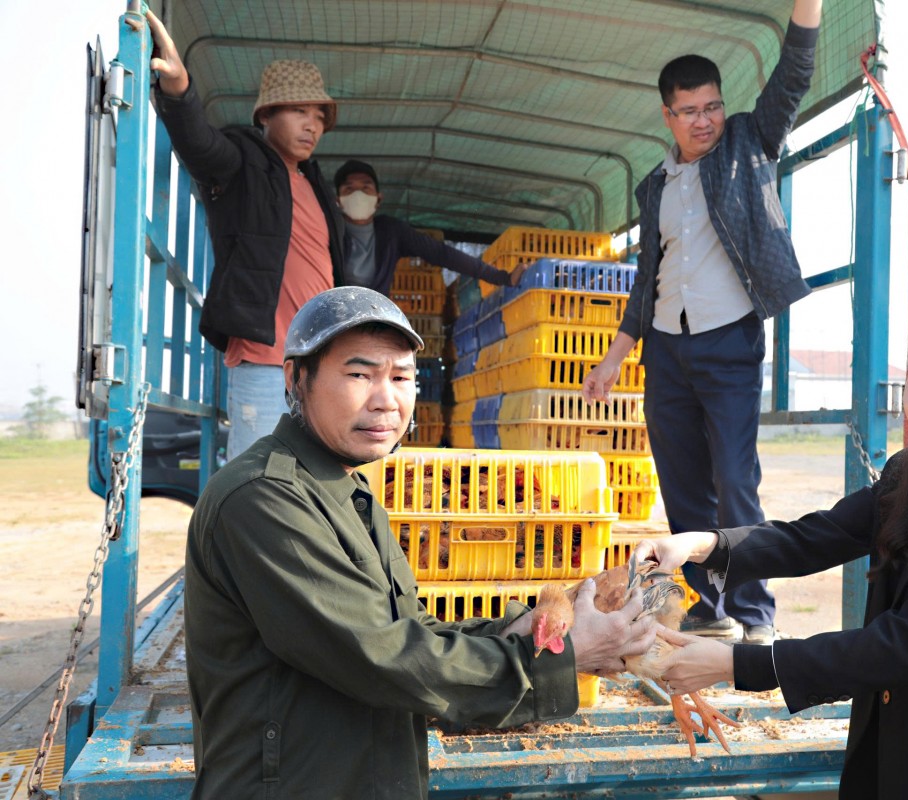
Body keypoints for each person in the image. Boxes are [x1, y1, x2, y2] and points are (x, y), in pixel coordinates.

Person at [184, 286, 658, 798]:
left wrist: (516, 631)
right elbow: (378, 654)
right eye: (360, 374)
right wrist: (560, 660)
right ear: (296, 379)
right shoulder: (263, 498)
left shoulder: (348, 488)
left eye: (401, 377)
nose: (386, 399)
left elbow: (410, 629)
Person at [638, 299, 908, 800]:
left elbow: (904, 643)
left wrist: (736, 664)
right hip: (899, 755)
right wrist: (703, 544)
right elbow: (815, 536)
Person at [581, 0, 823, 646]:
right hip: (665, 351)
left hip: (730, 343)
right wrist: (614, 358)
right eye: (689, 111)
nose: (704, 120)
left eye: (712, 106)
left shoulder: (748, 143)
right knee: (683, 485)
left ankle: (756, 614)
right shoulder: (655, 187)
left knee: (736, 482)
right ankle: (710, 606)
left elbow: (793, 77)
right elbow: (646, 282)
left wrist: (808, 9)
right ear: (668, 115)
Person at [147, 11, 346, 460]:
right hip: (265, 360)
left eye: (319, 116)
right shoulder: (244, 161)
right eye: (299, 111)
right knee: (254, 481)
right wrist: (179, 87)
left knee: (309, 481)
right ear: (266, 114)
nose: (313, 125)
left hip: (319, 364)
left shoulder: (316, 184)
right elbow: (201, 146)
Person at [334, 159, 525, 294]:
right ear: (337, 201)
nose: (358, 194)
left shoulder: (391, 231)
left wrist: (502, 278)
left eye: (366, 187)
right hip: (331, 316)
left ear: (378, 199)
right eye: (349, 188)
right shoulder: (329, 231)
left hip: (373, 317)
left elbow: (442, 253)